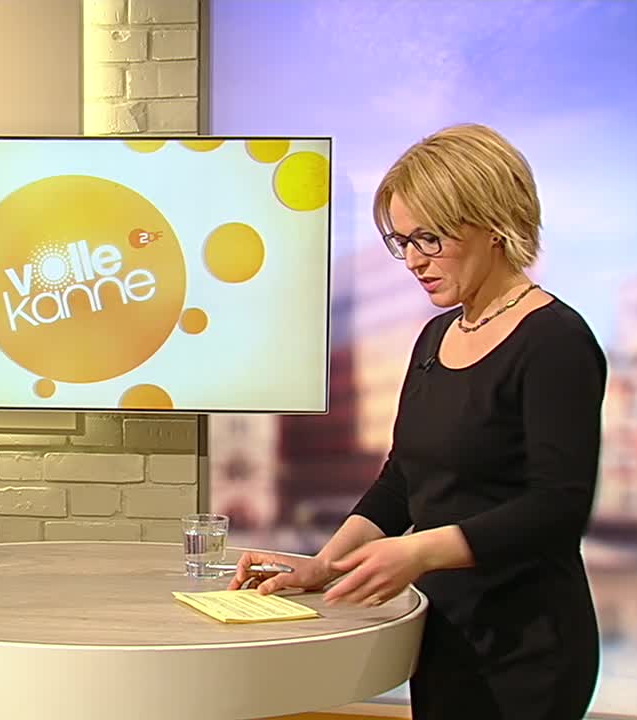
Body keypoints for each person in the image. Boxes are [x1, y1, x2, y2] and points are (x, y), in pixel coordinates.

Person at [230, 123, 606, 719]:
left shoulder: (555, 340)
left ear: (493, 223)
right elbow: (403, 480)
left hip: (528, 646)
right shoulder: (436, 335)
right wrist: (326, 565)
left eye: (429, 238)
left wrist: (419, 552)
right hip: (444, 632)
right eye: (401, 240)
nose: (411, 260)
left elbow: (558, 508)